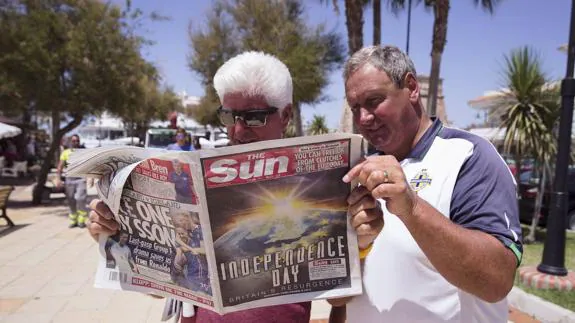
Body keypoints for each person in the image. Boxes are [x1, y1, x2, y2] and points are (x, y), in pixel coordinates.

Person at [86, 51, 383, 323]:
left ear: (286, 115)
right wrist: (118, 238)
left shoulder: (323, 181)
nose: (238, 131)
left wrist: (360, 245)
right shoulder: (190, 176)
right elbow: (160, 291)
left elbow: (339, 299)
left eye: (254, 117)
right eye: (229, 116)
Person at [327, 45, 522, 322]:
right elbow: (338, 301)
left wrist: (412, 207)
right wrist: (358, 249)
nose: (363, 119)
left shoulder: (468, 156)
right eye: (355, 107)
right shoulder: (360, 174)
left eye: (374, 101)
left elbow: (497, 281)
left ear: (411, 87)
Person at [56, 134, 89, 228]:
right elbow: (60, 167)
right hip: (69, 179)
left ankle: (82, 220)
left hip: (81, 179)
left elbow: (88, 165)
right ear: (71, 142)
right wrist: (58, 179)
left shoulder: (83, 152)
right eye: (74, 141)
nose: (76, 142)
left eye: (77, 141)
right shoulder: (65, 153)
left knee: (80, 198)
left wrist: (90, 178)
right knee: (71, 200)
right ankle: (73, 219)